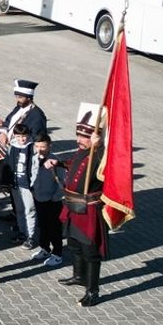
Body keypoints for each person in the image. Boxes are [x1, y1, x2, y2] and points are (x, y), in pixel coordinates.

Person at [57, 104, 108, 307]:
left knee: (90, 251)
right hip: (72, 206)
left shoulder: (99, 154)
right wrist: (58, 163)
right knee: (74, 245)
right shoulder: (82, 150)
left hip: (88, 209)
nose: (79, 140)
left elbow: (103, 167)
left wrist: (99, 146)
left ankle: (93, 291)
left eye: (84, 137)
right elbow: (74, 163)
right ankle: (79, 276)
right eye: (78, 135)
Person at [30, 132, 65, 267]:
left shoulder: (55, 160)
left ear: (49, 146)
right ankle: (45, 248)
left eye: (43, 146)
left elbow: (61, 182)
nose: (40, 149)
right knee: (43, 226)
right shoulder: (34, 158)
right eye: (37, 146)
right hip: (39, 198)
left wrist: (54, 198)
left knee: (54, 228)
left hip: (52, 201)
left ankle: (57, 254)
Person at [5, 123, 37, 247]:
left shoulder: (32, 147)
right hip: (15, 184)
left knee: (30, 210)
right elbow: (8, 164)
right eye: (18, 136)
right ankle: (22, 231)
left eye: (24, 136)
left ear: (28, 136)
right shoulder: (12, 147)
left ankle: (31, 235)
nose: (21, 139)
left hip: (27, 185)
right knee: (19, 210)